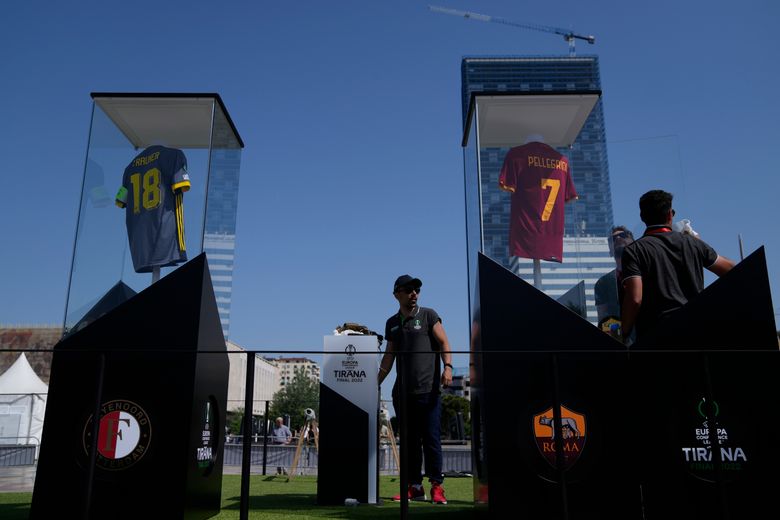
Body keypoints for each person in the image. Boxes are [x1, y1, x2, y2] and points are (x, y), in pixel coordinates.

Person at [620, 190, 735, 343]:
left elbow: (635, 299)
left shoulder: (634, 250)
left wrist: (624, 333)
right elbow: (731, 270)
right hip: (696, 333)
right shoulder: (693, 243)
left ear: (642, 217)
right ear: (670, 214)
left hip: (657, 338)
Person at [378, 274, 453, 505]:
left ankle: (437, 488)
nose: (414, 293)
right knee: (410, 443)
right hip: (402, 394)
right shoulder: (392, 322)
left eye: (417, 290)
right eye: (409, 289)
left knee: (431, 440)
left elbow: (444, 343)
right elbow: (388, 357)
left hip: (428, 392)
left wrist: (447, 367)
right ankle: (414, 487)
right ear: (396, 294)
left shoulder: (429, 315)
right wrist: (375, 381)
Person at [594, 226, 634, 338]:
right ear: (610, 251)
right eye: (613, 238)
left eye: (623, 235)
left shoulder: (648, 271)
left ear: (634, 243)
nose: (618, 239)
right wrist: (622, 339)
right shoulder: (603, 283)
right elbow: (604, 320)